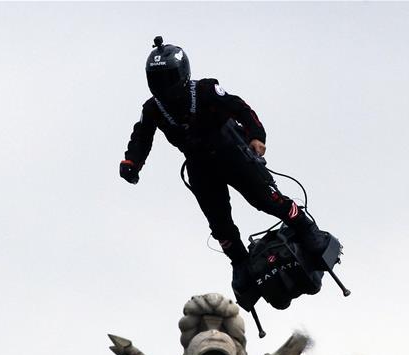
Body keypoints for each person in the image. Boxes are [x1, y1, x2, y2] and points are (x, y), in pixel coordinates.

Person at [120, 36, 329, 298]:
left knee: (267, 200)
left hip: (231, 152)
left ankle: (304, 226)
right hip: (199, 166)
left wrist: (256, 136)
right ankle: (240, 262)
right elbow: (141, 136)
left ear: (182, 74)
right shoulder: (152, 109)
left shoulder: (206, 90)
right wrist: (132, 162)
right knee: (219, 223)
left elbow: (240, 107)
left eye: (168, 78)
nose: (164, 86)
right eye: (158, 80)